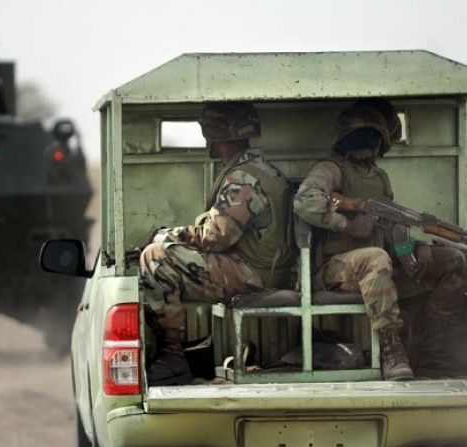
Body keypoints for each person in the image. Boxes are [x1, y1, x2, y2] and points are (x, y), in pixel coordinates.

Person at [294, 100, 467, 380]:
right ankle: (392, 350)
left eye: (374, 136)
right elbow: (304, 201)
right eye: (361, 135)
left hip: (379, 265)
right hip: (333, 270)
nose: (367, 141)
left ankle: (434, 354)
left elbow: (390, 230)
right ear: (344, 139)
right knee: (376, 256)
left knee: (453, 259)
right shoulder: (330, 170)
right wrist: (348, 225)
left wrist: (417, 248)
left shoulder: (380, 178)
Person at [139, 102, 295, 386]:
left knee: (155, 258)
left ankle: (172, 358)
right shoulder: (263, 170)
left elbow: (217, 235)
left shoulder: (243, 178)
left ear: (216, 135)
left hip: (254, 275)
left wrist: (169, 235)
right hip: (267, 269)